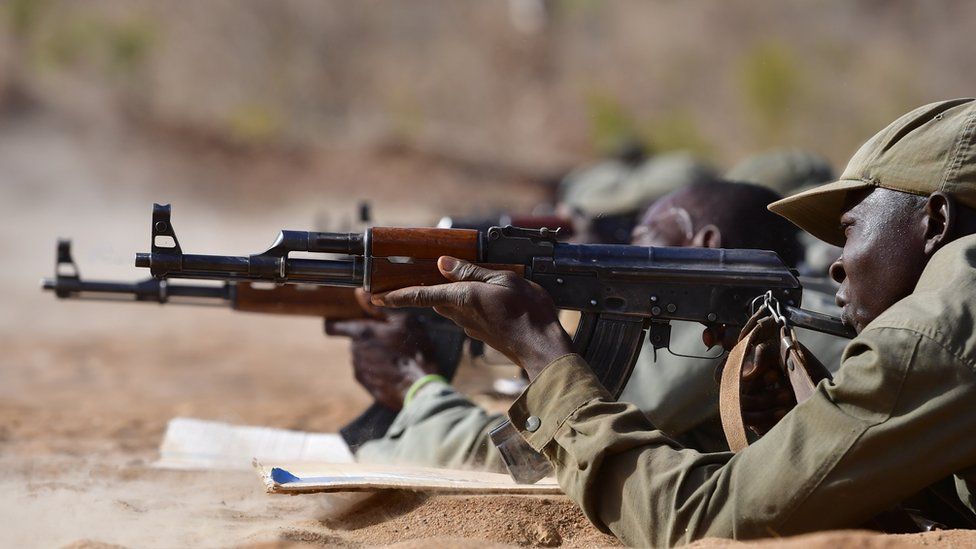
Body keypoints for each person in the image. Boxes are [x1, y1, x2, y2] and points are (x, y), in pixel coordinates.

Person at [373, 98, 976, 545]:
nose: (839, 265)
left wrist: (541, 357)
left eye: (849, 230)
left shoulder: (938, 326)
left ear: (937, 219)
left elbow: (705, 523)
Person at [333, 178, 843, 470]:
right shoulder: (785, 306)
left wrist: (417, 387)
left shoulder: (748, 310)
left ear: (706, 245)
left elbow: (536, 452)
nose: (626, 251)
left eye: (648, 236)